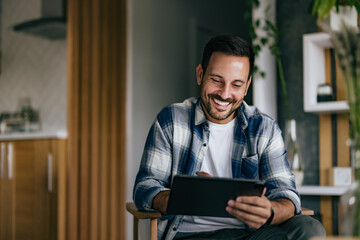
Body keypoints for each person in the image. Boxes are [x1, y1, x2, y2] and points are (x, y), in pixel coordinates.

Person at [133, 35, 325, 240]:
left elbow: (287, 195)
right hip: (189, 236)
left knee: (309, 229)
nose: (225, 94)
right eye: (217, 80)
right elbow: (145, 187)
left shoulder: (265, 128)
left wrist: (270, 211)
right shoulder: (171, 120)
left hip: (249, 235)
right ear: (200, 74)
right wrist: (180, 197)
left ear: (247, 86)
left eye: (236, 84)